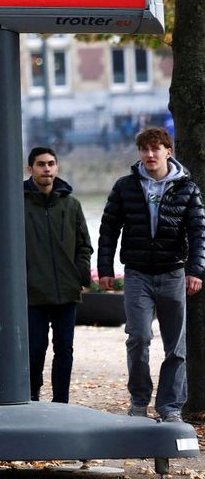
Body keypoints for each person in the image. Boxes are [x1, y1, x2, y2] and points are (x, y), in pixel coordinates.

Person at [97, 126, 205, 422]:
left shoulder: (187, 188)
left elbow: (198, 233)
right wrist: (105, 269)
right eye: (144, 149)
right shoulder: (125, 186)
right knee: (139, 337)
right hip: (136, 274)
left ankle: (170, 407)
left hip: (173, 274)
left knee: (176, 346)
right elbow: (108, 229)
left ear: (168, 152)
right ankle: (139, 400)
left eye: (155, 149)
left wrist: (195, 270)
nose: (149, 154)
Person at [23, 146, 92, 404]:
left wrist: (80, 275)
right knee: (35, 349)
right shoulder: (17, 204)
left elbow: (84, 245)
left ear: (57, 168)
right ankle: (31, 397)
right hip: (33, 292)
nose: (47, 169)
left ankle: (61, 401)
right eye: (41, 164)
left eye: (51, 164)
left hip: (66, 290)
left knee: (64, 349)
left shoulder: (71, 204)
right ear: (30, 169)